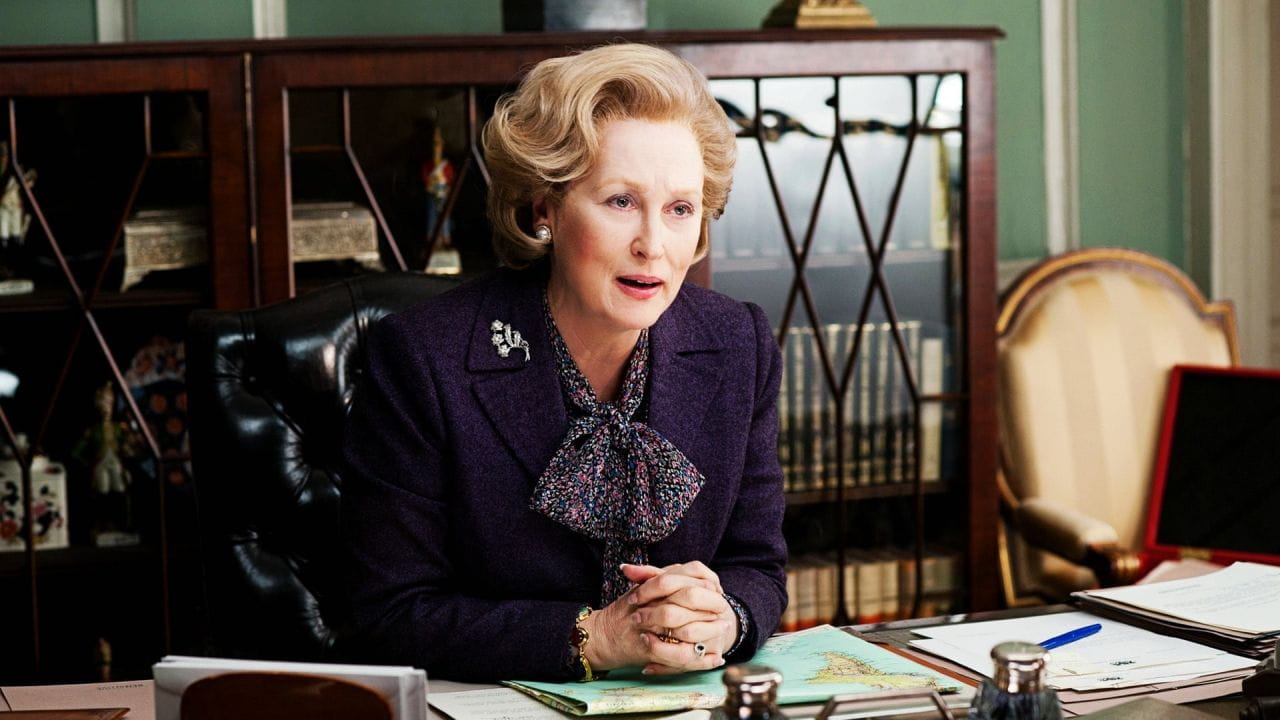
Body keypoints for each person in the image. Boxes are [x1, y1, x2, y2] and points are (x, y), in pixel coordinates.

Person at [341, 43, 787, 683]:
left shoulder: (737, 341)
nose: (653, 245)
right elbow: (387, 613)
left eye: (680, 209)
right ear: (544, 208)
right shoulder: (423, 358)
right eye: (620, 201)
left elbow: (758, 565)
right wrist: (594, 638)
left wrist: (725, 619)